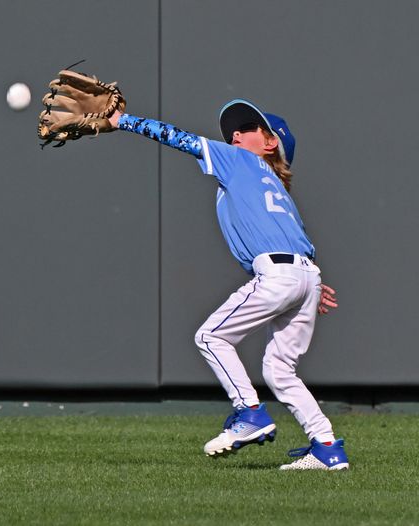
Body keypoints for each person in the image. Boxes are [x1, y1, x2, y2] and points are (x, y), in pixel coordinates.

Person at [107, 99, 348, 471]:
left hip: (279, 275)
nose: (236, 133)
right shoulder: (277, 190)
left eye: (250, 128)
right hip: (306, 276)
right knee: (280, 370)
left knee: (210, 337)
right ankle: (328, 448)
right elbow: (297, 241)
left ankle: (249, 413)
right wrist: (311, 284)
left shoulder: (241, 162)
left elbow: (179, 138)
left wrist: (122, 120)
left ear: (269, 144)